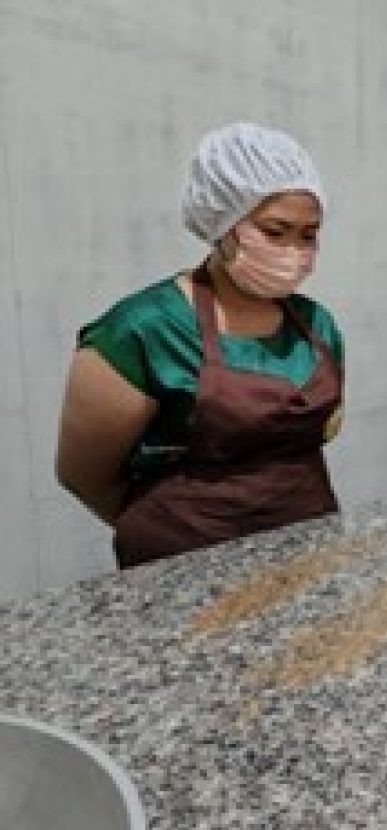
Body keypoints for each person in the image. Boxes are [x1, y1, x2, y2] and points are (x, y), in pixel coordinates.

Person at [56, 122, 344, 568]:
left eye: (308, 235)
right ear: (224, 224)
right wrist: (170, 529)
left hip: (307, 547)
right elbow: (84, 474)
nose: (294, 251)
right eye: (275, 231)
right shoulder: (144, 330)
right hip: (187, 556)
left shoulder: (317, 324)